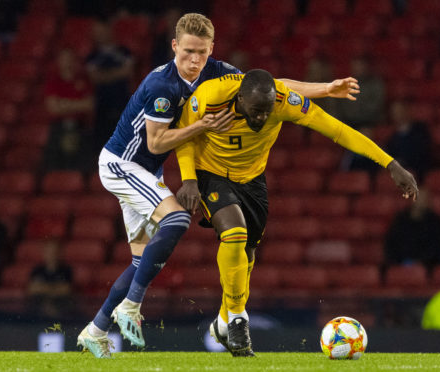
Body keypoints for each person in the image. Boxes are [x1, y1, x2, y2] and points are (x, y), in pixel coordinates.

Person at [76, 12, 362, 359]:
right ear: (174, 46)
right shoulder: (161, 86)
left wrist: (326, 89)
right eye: (187, 52)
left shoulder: (219, 72)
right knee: (178, 220)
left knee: (141, 262)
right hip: (124, 164)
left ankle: (95, 329)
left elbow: (275, 86)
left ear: (212, 48)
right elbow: (155, 144)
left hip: (149, 173)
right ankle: (131, 306)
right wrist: (202, 127)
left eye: (201, 52)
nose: (194, 60)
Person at [175, 69, 418, 356]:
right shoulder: (211, 96)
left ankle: (224, 321)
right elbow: (184, 135)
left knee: (247, 255)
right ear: (240, 98)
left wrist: (390, 164)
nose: (262, 118)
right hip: (210, 173)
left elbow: (337, 130)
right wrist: (188, 178)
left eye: (267, 112)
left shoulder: (284, 101)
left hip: (252, 179)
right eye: (256, 111)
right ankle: (239, 321)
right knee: (235, 232)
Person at [86, 20, 135, 155]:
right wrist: (118, 73)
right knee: (103, 147)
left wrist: (105, 76)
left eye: (102, 30)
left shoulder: (124, 52)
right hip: (102, 106)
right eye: (96, 32)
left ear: (109, 30)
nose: (99, 34)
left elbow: (128, 72)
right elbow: (95, 78)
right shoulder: (92, 56)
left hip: (123, 103)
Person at [384, 187, 440, 272]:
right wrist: (401, 261)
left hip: (427, 268)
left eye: (425, 199)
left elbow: (436, 247)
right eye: (419, 197)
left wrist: (421, 262)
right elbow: (391, 244)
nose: (422, 201)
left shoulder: (435, 222)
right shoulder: (400, 220)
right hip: (400, 265)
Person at [385, 100, 432, 183]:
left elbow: (424, 153)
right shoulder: (392, 138)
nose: (397, 115)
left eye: (399, 111)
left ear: (406, 111)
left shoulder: (420, 130)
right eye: (394, 112)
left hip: (419, 175)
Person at [27, 240, 73, 319]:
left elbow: (66, 290)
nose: (52, 255)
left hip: (61, 310)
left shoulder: (66, 270)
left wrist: (42, 288)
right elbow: (31, 289)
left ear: (60, 253)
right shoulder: (37, 270)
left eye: (55, 252)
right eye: (49, 251)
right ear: (44, 253)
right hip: (37, 311)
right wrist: (55, 289)